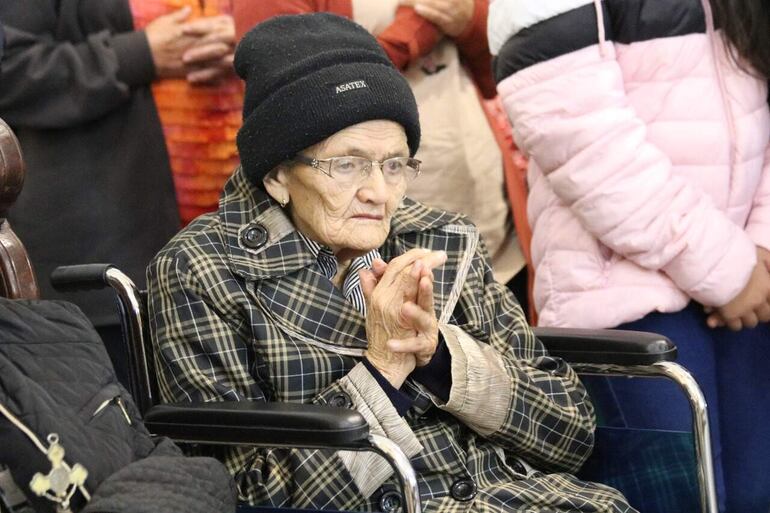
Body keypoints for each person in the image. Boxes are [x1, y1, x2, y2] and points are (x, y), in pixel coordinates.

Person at [148, 13, 636, 512]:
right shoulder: (202, 271)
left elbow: (571, 434)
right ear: (276, 176)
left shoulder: (441, 239)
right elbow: (249, 494)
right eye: (348, 164)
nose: (380, 193)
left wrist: (442, 357)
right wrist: (382, 370)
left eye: (395, 165)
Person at [490, 0, 770, 511]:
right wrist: (729, 268)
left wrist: (762, 247)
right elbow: (581, 140)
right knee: (676, 499)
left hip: (754, 289)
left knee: (757, 493)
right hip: (625, 304)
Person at [232, 0, 527, 310]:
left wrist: (469, 21)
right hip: (364, 250)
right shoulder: (200, 273)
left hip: (487, 225)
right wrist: (416, 31)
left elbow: (496, 74)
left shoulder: (459, 234)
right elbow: (292, 96)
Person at [0, 1, 230, 335]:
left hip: (234, 249)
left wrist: (248, 39)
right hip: (112, 249)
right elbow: (11, 70)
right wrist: (137, 55)